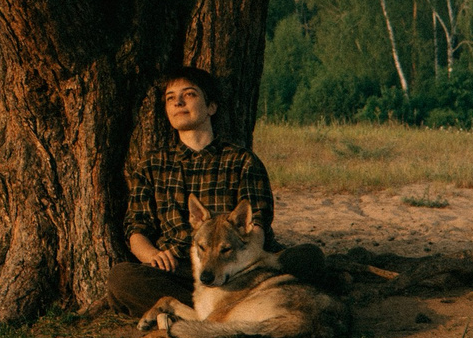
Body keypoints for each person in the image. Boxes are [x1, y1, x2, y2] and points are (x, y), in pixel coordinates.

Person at [106, 66, 325, 317]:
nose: (178, 102)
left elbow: (257, 228)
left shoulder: (242, 161)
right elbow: (136, 229)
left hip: (239, 272)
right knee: (121, 279)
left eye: (189, 95)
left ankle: (200, 313)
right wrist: (153, 255)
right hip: (179, 272)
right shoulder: (152, 165)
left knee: (309, 257)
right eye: (170, 98)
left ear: (211, 107)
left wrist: (234, 267)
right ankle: (207, 313)